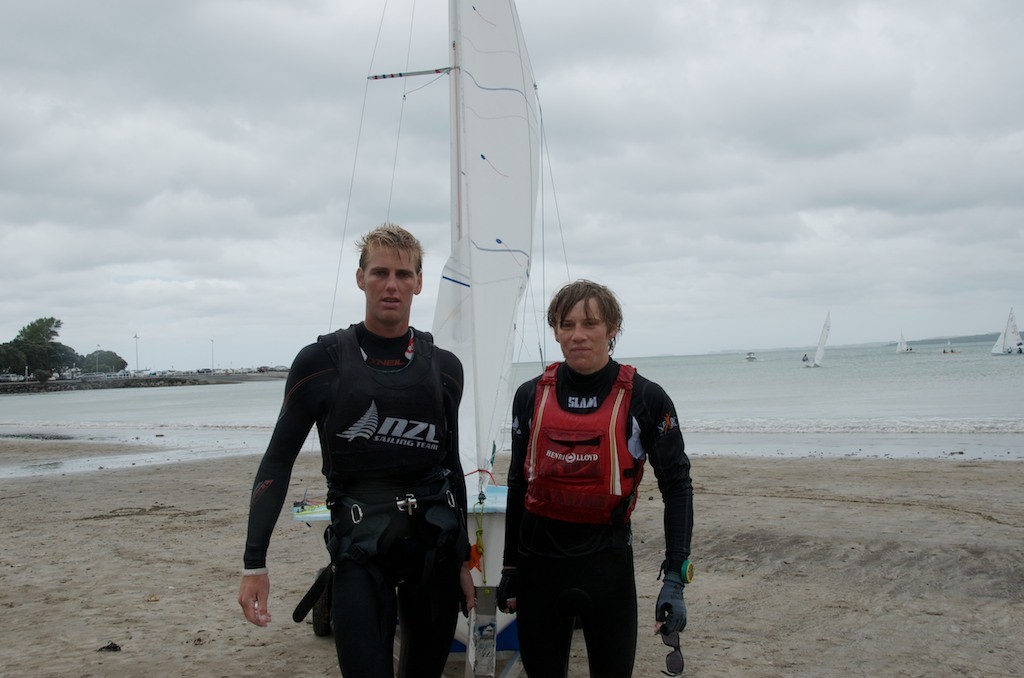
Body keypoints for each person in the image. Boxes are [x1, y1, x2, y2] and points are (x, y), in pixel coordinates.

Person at [238, 224, 475, 677]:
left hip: (434, 548)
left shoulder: (444, 369)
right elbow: (276, 462)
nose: (392, 285)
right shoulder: (321, 362)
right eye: (380, 272)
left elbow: (452, 465)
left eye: (404, 275)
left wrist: (463, 560)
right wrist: (255, 564)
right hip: (361, 549)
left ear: (419, 283)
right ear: (360, 277)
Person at [497, 280, 694, 677]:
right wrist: (509, 569)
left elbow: (677, 486)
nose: (578, 335)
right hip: (539, 568)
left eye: (590, 323)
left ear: (612, 328)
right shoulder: (529, 395)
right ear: (554, 330)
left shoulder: (645, 397)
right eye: (566, 324)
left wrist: (675, 576)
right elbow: (518, 483)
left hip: (607, 569)